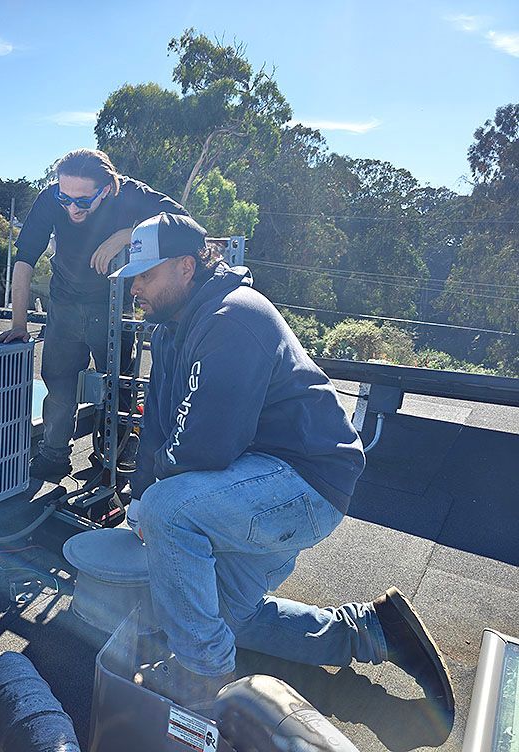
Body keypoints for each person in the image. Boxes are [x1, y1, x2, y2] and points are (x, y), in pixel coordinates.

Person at [114, 212, 454, 715]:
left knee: (171, 513)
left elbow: (206, 447)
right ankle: (374, 631)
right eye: (132, 277)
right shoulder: (171, 325)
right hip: (249, 477)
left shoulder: (233, 318)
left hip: (305, 481)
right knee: (223, 617)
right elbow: (162, 426)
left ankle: (201, 676)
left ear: (186, 266)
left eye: (146, 274)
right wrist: (135, 497)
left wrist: (154, 503)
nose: (135, 287)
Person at [0, 149, 190, 481]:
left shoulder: (130, 194)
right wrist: (18, 324)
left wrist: (127, 235)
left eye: (82, 201)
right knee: (58, 386)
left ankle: (112, 462)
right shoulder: (49, 200)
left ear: (107, 188)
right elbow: (25, 258)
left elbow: (185, 225)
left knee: (119, 389)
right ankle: (54, 458)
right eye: (64, 197)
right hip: (64, 306)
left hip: (113, 308)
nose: (71, 207)